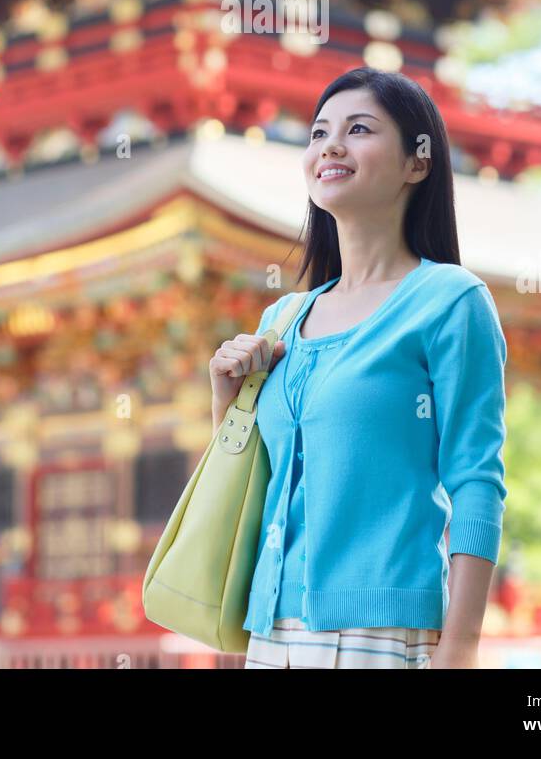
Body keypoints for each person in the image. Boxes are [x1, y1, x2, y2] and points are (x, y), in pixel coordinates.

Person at [209, 65, 508, 669]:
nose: (330, 146)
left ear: (416, 163)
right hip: (268, 633)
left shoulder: (449, 301)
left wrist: (462, 649)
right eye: (318, 133)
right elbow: (252, 483)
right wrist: (226, 400)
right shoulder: (283, 317)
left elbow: (477, 481)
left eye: (360, 129)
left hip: (382, 634)